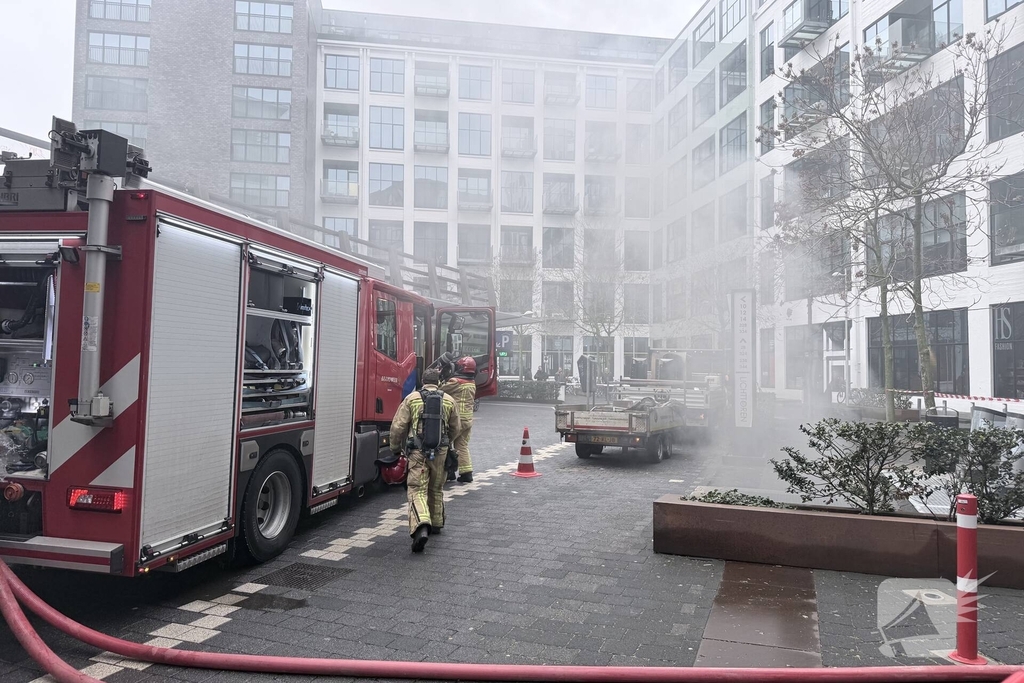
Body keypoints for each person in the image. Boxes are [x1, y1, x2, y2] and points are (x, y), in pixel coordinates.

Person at [389, 367, 462, 553]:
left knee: (417, 489)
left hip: (418, 453)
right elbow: (456, 428)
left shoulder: (412, 399)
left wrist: (395, 448)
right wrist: (446, 443)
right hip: (441, 451)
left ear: (422, 381)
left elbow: (398, 427)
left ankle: (421, 524)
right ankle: (436, 523)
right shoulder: (449, 400)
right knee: (436, 487)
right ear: (438, 382)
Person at [441, 356, 477, 483]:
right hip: (468, 420)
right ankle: (467, 473)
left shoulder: (455, 381)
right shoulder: (472, 382)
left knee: (446, 444)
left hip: (456, 420)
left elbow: (440, 390)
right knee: (462, 445)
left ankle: (449, 472)